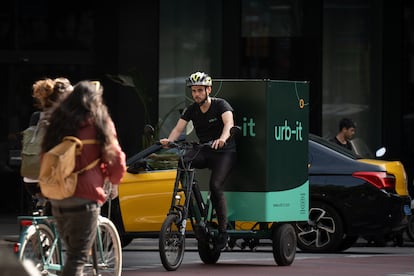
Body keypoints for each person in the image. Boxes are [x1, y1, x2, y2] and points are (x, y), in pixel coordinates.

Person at [41, 80, 126, 276]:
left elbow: (46, 156)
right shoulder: (98, 121)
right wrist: (114, 180)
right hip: (85, 198)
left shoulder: (58, 123)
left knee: (71, 254)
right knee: (77, 258)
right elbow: (115, 156)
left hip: (58, 197)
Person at [160, 71, 236, 250]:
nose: (196, 94)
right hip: (204, 150)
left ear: (208, 90)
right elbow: (178, 129)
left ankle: (223, 231)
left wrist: (223, 139)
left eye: (200, 90)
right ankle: (195, 208)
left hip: (224, 152)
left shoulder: (220, 105)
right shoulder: (192, 109)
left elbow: (229, 124)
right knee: (184, 162)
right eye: (194, 91)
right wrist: (168, 141)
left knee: (215, 186)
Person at [22, 77, 73, 213]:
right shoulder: (67, 118)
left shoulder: (36, 117)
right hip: (54, 179)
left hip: (31, 179)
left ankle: (42, 231)